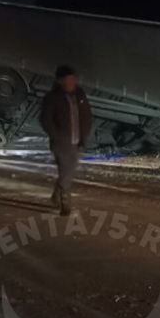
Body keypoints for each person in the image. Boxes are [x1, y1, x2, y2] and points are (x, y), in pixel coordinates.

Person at [39, 65, 92, 216]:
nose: (71, 82)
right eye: (68, 79)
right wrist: (55, 135)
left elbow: (86, 115)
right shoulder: (52, 97)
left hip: (77, 140)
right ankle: (65, 202)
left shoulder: (79, 94)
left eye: (73, 79)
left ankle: (56, 195)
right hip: (61, 142)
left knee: (68, 172)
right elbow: (45, 119)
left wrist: (84, 135)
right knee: (65, 171)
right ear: (60, 81)